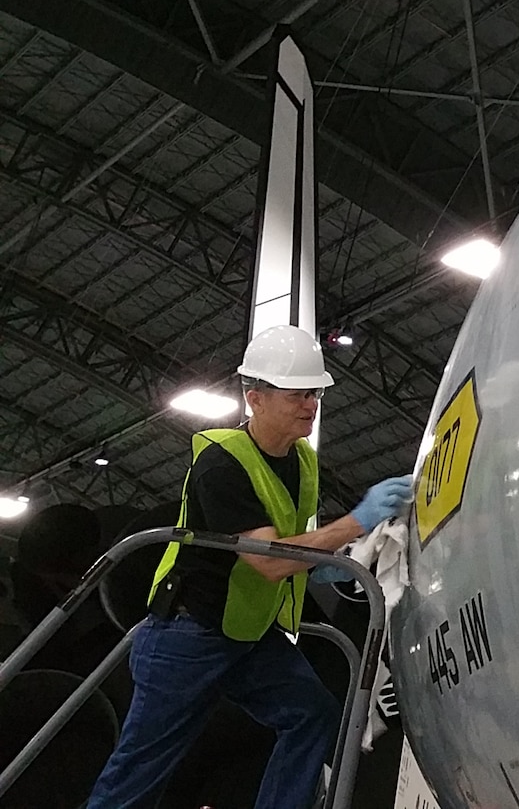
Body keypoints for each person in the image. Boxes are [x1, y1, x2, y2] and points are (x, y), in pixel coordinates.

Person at [85, 324, 415, 809]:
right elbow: (267, 560)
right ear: (256, 398)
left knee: (313, 715)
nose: (311, 405)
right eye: (298, 395)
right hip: (187, 636)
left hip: (246, 633)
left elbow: (290, 541)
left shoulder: (302, 459)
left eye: (315, 394)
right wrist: (356, 522)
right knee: (143, 766)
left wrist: (323, 564)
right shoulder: (222, 464)